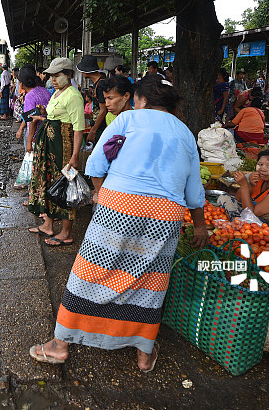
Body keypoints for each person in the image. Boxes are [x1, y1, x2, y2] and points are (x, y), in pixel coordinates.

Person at [28, 75, 209, 371]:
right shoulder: (186, 133)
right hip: (166, 217)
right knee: (150, 283)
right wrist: (200, 226)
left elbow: (98, 163)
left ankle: (60, 345)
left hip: (119, 206)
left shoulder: (127, 121)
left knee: (91, 274)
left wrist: (99, 192)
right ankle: (143, 353)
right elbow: (193, 191)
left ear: (142, 100)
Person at [27, 57, 85, 247]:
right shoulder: (57, 93)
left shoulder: (73, 96)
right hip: (51, 147)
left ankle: (66, 233)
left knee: (66, 188)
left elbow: (78, 128)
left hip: (64, 148)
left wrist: (75, 155)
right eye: (51, 75)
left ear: (68, 75)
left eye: (57, 75)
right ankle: (48, 225)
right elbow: (53, 116)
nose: (52, 79)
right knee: (50, 182)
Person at [216, 149, 269, 230]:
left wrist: (244, 186)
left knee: (244, 223)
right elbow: (238, 198)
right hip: (258, 216)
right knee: (225, 198)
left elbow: (250, 215)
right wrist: (249, 184)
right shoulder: (262, 180)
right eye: (260, 164)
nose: (262, 169)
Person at [77, 55, 108, 143]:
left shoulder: (100, 85)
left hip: (101, 128)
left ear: (86, 70)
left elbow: (103, 110)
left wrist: (93, 131)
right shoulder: (97, 83)